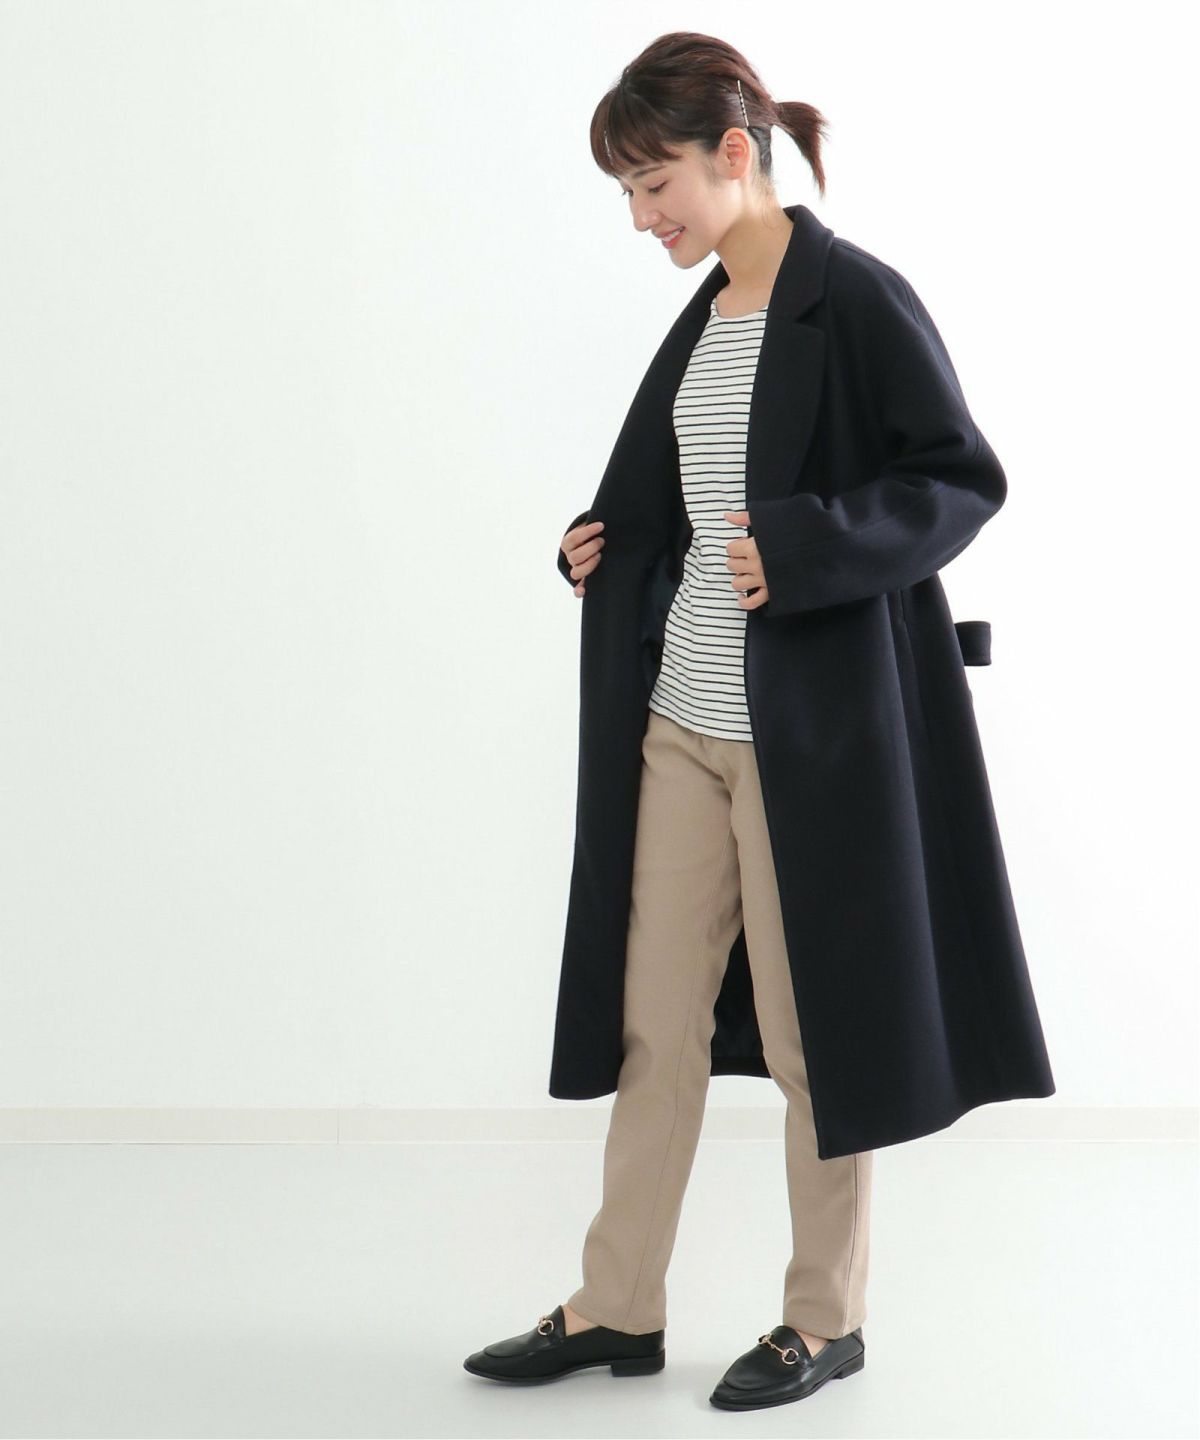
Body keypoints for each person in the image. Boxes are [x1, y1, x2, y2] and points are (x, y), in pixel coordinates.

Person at [464, 29, 1054, 1412]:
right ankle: (618, 1305)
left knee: (810, 1035)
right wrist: (603, 546)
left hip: (808, 741)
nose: (640, 216)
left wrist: (807, 547)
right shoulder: (709, 313)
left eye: (653, 181)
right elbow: (685, 499)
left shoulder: (856, 299)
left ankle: (823, 1318)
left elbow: (958, 480)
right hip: (682, 720)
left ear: (735, 152)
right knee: (652, 1027)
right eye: (626, 192)